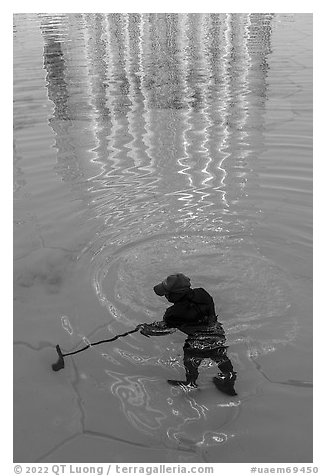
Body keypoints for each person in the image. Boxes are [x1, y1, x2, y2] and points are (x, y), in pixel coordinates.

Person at [137, 273, 237, 395]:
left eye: (167, 294)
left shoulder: (173, 313)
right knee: (220, 356)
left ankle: (191, 383)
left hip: (196, 341)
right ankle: (229, 381)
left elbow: (166, 329)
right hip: (216, 332)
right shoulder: (202, 293)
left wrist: (146, 329)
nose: (166, 296)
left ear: (176, 295)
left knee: (190, 361)